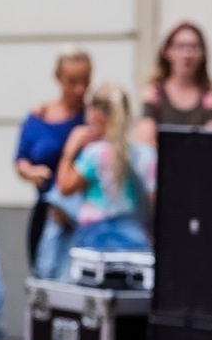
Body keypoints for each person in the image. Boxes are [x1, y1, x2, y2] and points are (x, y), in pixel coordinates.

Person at [56, 83, 157, 252]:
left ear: (97, 115)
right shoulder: (147, 155)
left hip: (94, 237)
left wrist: (70, 149)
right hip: (136, 238)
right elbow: (153, 202)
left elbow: (65, 187)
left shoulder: (95, 154)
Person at [14, 47, 91, 267]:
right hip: (46, 211)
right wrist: (31, 172)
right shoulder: (40, 116)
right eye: (72, 81)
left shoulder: (92, 118)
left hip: (81, 217)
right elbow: (21, 159)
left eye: (85, 81)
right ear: (58, 78)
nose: (80, 89)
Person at [135, 22, 212, 143]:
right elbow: (145, 142)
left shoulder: (208, 97)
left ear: (202, 54)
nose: (187, 54)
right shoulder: (154, 93)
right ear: (167, 51)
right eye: (181, 46)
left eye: (194, 47)